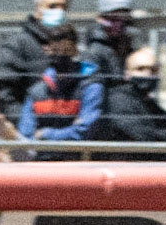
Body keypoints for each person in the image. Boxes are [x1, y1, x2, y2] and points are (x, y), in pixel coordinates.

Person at [17, 25, 104, 158]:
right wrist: (69, 130)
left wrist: (45, 134)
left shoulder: (91, 86)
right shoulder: (37, 91)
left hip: (79, 166)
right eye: (56, 50)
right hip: (40, 166)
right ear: (47, 50)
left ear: (75, 50)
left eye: (67, 50)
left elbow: (84, 132)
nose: (61, 56)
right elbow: (26, 136)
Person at [0, 0, 70, 118]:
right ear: (38, 8)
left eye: (63, 7)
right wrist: (27, 126)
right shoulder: (15, 45)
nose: (59, 11)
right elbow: (4, 96)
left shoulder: (67, 47)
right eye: (52, 6)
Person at [89, 47, 166, 159]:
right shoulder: (117, 99)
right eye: (140, 69)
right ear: (127, 74)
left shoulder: (150, 105)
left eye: (153, 70)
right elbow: (141, 135)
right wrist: (164, 136)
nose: (147, 74)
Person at [84, 0, 139, 83]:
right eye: (112, 19)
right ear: (100, 19)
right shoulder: (94, 52)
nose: (118, 24)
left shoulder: (129, 46)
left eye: (123, 18)